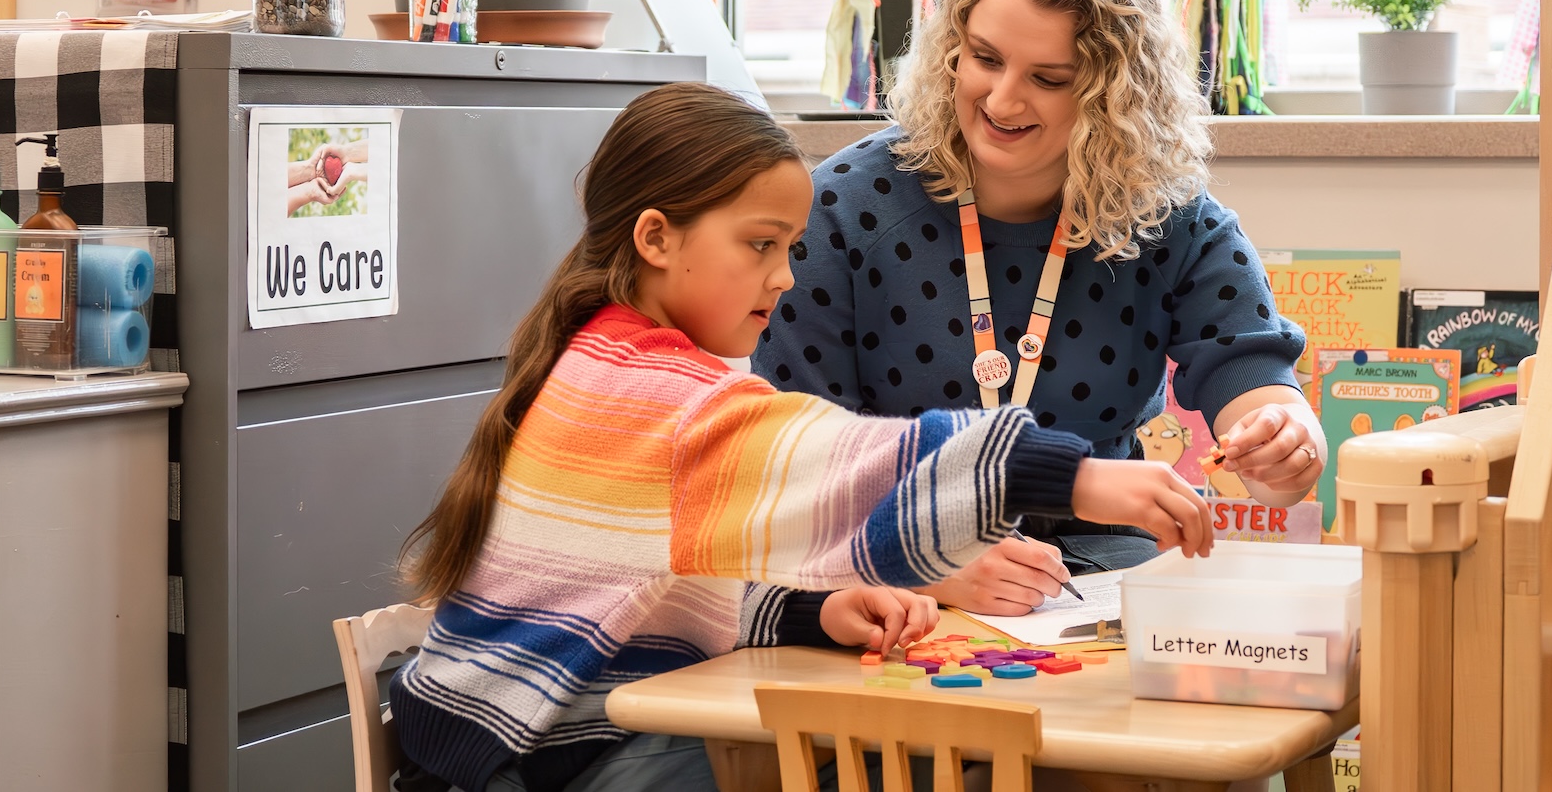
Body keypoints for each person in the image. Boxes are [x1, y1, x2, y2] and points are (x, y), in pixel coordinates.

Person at [389, 83, 1213, 792]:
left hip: (549, 733)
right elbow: (847, 466)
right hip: (538, 757)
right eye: (759, 246)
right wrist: (1077, 479)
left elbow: (651, 583)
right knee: (895, 757)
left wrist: (810, 615)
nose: (783, 276)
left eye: (787, 248)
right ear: (655, 238)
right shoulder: (656, 394)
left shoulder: (604, 352)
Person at [754, 0, 1330, 617]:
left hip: (1099, 567)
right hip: (884, 566)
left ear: (1115, 91)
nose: (1002, 98)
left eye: (1049, 79)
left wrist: (1285, 440)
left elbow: (1257, 394)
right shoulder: (841, 211)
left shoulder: (1173, 218)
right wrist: (926, 567)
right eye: (985, 57)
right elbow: (795, 467)